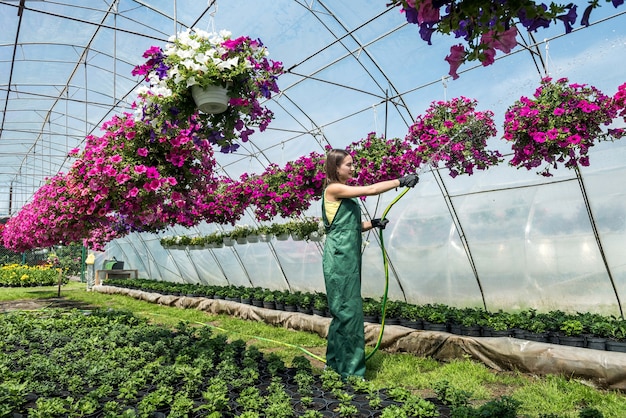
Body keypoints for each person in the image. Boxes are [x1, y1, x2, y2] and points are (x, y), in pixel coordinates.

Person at [322, 148, 419, 379]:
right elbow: (372, 189)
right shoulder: (334, 188)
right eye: (348, 164)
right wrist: (400, 181)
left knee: (342, 312)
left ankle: (334, 364)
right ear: (336, 168)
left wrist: (372, 224)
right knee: (349, 312)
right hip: (340, 258)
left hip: (345, 256)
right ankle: (351, 373)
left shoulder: (341, 193)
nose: (353, 168)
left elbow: (347, 226)